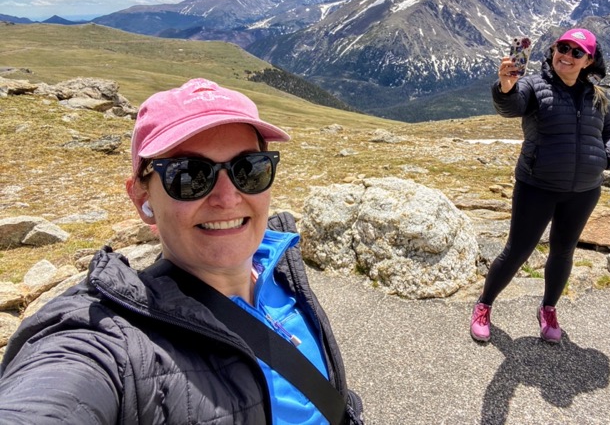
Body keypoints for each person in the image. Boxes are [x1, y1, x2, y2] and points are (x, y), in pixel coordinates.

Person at [0, 78, 364, 424]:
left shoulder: (282, 264)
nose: (227, 198)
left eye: (248, 169)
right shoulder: (115, 340)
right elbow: (59, 391)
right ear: (142, 198)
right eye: (189, 175)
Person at [470, 28, 610, 344]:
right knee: (517, 251)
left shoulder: (598, 96)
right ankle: (483, 304)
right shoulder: (534, 86)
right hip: (537, 185)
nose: (566, 55)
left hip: (584, 190)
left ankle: (548, 309)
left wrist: (606, 158)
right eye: (561, 48)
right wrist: (506, 86)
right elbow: (511, 106)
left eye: (575, 52)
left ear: (588, 60)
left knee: (563, 252)